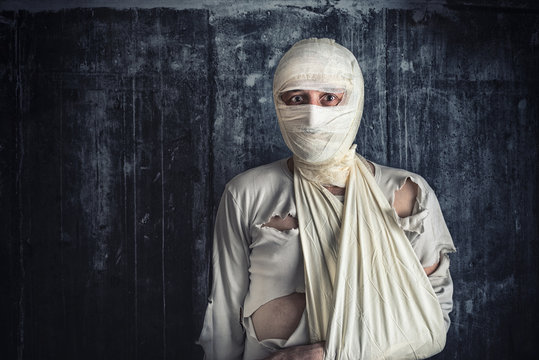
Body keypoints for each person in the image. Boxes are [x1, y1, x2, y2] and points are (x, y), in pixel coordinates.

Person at [198, 38, 456, 360]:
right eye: (297, 98)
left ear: (354, 99)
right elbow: (224, 315)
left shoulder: (408, 194)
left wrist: (329, 355)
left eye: (329, 98)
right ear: (279, 104)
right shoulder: (246, 193)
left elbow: (432, 321)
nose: (311, 116)